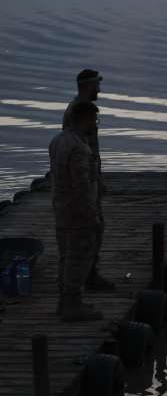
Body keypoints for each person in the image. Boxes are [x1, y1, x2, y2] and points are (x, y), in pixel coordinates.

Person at [49, 101, 104, 322]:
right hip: (78, 213)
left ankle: (65, 303)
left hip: (61, 209)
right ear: (86, 119)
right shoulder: (79, 148)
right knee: (79, 257)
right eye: (94, 119)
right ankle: (73, 306)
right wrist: (92, 216)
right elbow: (81, 186)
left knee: (65, 256)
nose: (95, 124)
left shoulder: (57, 141)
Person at [62, 68, 115, 291]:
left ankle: (88, 273)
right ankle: (85, 277)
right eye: (97, 85)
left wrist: (99, 179)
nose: (100, 90)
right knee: (91, 228)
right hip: (82, 181)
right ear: (88, 85)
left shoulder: (83, 109)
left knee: (96, 229)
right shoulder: (76, 112)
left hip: (91, 177)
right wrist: (87, 184)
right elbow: (77, 153)